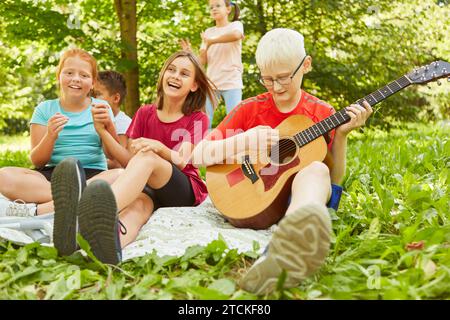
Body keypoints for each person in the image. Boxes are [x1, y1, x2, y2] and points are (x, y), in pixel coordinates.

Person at [190, 28, 373, 295]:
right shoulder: (249, 109)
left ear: (305, 65)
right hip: (251, 197)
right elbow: (198, 155)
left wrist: (342, 136)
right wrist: (244, 141)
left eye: (284, 78)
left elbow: (334, 182)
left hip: (302, 195)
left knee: (317, 169)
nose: (276, 87)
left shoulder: (322, 114)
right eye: (268, 79)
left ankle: (285, 245)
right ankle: (282, 249)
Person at [50, 51, 215, 265]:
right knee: (137, 208)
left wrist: (158, 148)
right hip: (148, 187)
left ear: (194, 85)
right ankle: (108, 247)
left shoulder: (198, 118)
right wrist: (103, 132)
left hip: (182, 188)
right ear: (163, 75)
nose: (175, 76)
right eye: (171, 70)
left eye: (184, 74)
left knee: (147, 156)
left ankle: (84, 216)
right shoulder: (145, 113)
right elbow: (128, 161)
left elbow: (182, 160)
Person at [0, 48, 122, 255]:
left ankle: (47, 208)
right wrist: (50, 136)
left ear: (92, 83)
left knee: (120, 175)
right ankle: (72, 200)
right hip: (53, 176)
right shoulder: (45, 109)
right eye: (69, 73)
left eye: (84, 75)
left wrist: (105, 127)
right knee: (3, 175)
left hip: (93, 173)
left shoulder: (101, 107)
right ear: (59, 76)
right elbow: (37, 161)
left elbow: (113, 156)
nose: (76, 79)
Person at [180, 0, 244, 127]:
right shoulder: (208, 32)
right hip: (211, 83)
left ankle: (236, 145)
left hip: (231, 81)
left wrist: (211, 41)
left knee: (235, 121)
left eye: (218, 6)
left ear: (228, 9)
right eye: (211, 7)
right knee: (202, 122)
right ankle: (200, 146)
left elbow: (237, 35)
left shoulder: (235, 25)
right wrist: (190, 53)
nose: (214, 9)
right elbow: (203, 61)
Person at [93, 70, 132, 169]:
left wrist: (90, 162)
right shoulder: (95, 119)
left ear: (115, 98)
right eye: (92, 94)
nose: (93, 98)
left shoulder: (123, 123)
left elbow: (118, 163)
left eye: (98, 94)